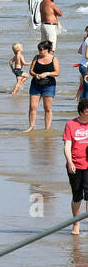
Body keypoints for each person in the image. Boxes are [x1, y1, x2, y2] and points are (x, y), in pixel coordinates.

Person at [62, 97, 88, 236]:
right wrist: (70, 161)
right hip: (75, 165)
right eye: (87, 111)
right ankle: (76, 223)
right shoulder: (71, 124)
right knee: (77, 195)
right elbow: (67, 145)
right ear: (81, 112)